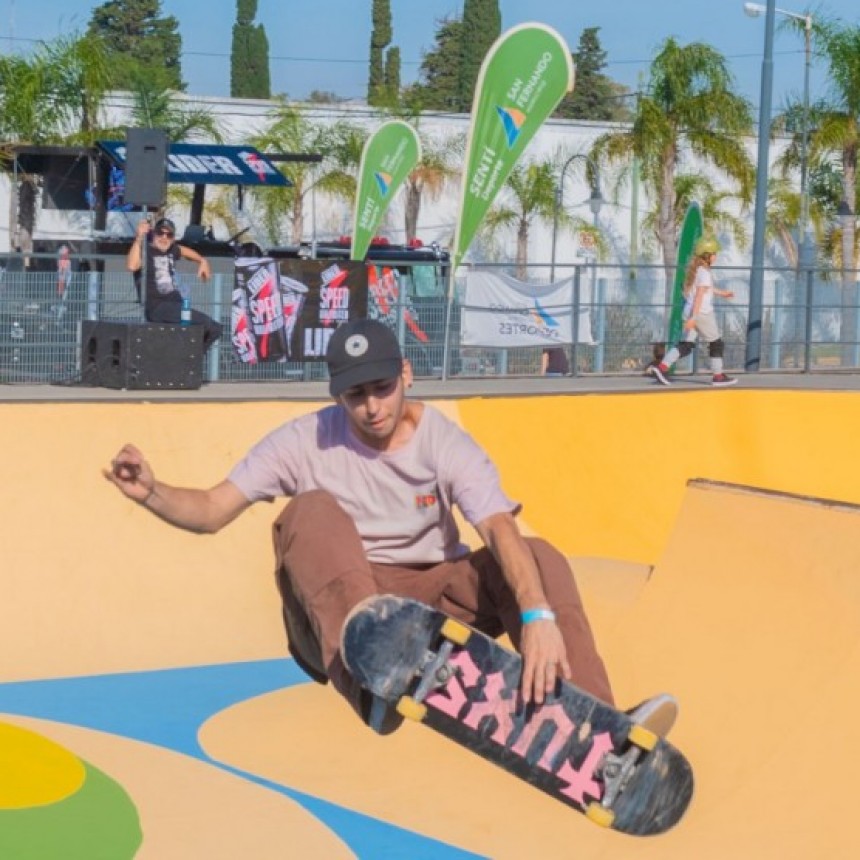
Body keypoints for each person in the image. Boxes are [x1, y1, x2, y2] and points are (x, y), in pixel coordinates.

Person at [104, 318, 676, 736]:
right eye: (356, 396)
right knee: (311, 510)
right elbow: (212, 508)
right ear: (338, 396)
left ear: (406, 374)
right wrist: (152, 491)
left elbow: (497, 528)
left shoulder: (445, 444)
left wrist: (538, 617)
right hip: (337, 609)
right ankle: (371, 682)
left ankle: (597, 728)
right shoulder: (305, 441)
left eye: (383, 389)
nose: (373, 408)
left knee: (536, 555)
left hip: (430, 604)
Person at [648, 236, 737, 387]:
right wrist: (694, 318)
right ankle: (718, 376)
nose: (716, 256)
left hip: (690, 312)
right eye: (714, 254)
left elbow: (705, 289)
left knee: (686, 345)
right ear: (707, 255)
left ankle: (662, 368)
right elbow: (700, 296)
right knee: (716, 343)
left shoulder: (698, 271)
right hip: (701, 314)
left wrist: (723, 293)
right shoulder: (705, 273)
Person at [127, 217, 223, 349]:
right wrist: (138, 238)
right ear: (153, 234)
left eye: (169, 235)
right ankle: (192, 358)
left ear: (173, 238)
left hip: (176, 304)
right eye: (160, 233)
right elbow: (132, 266)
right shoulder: (145, 250)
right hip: (157, 307)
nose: (164, 238)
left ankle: (192, 358)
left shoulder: (172, 249)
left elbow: (185, 251)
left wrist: (202, 261)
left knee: (215, 329)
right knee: (207, 324)